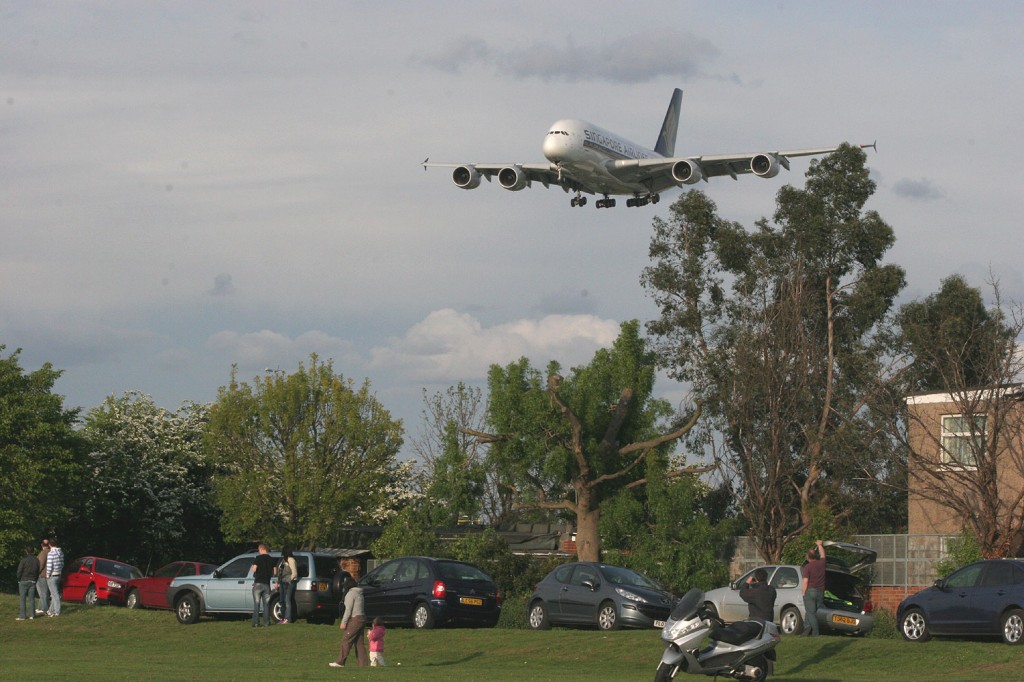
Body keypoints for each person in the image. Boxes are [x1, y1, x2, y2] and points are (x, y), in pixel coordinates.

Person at [329, 575, 368, 668]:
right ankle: (363, 664)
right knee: (359, 642)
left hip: (355, 619)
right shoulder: (360, 593)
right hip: (362, 618)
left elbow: (348, 610)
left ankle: (340, 662)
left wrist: (343, 622)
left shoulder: (351, 594)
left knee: (346, 639)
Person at [801, 539, 826, 636]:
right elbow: (823, 555)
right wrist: (820, 545)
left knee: (811, 613)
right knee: (810, 611)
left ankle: (816, 633)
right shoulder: (822, 563)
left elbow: (805, 581)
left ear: (807, 558)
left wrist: (803, 593)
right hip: (820, 591)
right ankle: (806, 631)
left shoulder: (807, 567)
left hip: (811, 591)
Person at [250, 543, 276, 627]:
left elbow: (254, 569)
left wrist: (253, 567)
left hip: (258, 583)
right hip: (267, 584)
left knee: (256, 604)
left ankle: (256, 622)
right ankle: (266, 622)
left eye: (259, 550)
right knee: (266, 604)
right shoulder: (272, 559)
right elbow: (275, 572)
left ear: (261, 549)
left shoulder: (258, 558)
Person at [17, 546, 40, 620]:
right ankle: (32, 615)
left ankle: (22, 616)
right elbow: (37, 571)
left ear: (26, 551)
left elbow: (19, 571)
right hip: (32, 580)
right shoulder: (36, 560)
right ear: (33, 551)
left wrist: (19, 579)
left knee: (22, 599)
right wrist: (35, 579)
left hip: (23, 580)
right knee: (31, 599)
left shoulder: (23, 560)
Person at [277, 547, 298, 624]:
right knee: (282, 601)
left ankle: (287, 618)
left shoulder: (291, 560)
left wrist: (290, 580)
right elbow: (280, 572)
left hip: (290, 582)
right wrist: (278, 582)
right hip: (282, 582)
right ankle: (282, 618)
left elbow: (294, 573)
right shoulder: (283, 560)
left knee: (287, 600)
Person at [45, 538, 64, 617]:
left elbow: (49, 566)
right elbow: (62, 563)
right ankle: (51, 610)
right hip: (58, 574)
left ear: (49, 545)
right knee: (54, 594)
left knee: (55, 594)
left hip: (52, 575)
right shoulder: (61, 552)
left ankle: (57, 611)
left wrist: (47, 575)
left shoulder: (51, 553)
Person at [35, 538, 50, 617]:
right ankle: (41, 607)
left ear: (42, 545)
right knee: (44, 592)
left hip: (42, 575)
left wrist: (36, 572)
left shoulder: (44, 553)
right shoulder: (50, 552)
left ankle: (44, 608)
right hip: (47, 575)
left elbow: (40, 564)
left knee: (42, 592)